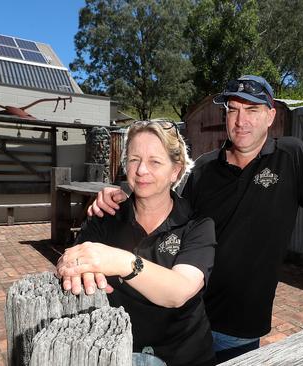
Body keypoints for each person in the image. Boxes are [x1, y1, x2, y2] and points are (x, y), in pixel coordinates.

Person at [88, 75, 303, 362]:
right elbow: (168, 215)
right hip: (185, 317)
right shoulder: (203, 169)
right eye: (233, 110)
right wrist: (125, 194)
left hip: (241, 327)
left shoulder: (292, 157)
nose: (241, 121)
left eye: (252, 110)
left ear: (270, 116)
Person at [56, 121, 216, 366]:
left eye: (155, 161)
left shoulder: (197, 225)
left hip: (184, 356)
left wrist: (120, 261)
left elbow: (179, 290)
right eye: (134, 159)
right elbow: (72, 259)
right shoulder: (106, 216)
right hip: (118, 352)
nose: (141, 170)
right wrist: (70, 266)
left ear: (176, 170)